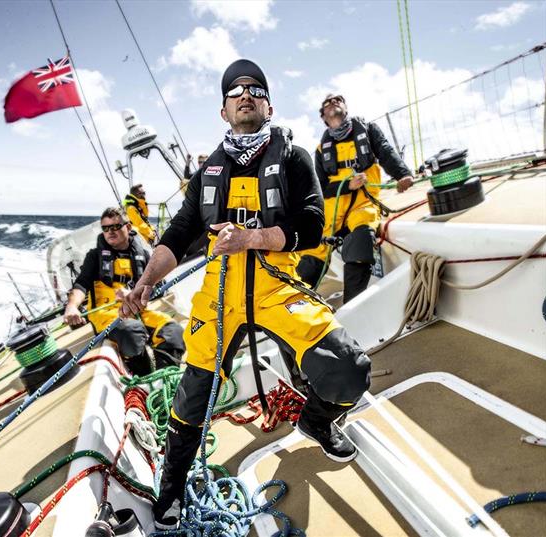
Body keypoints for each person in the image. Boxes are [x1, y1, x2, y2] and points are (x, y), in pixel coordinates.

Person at [120, 60, 371, 529]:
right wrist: (145, 282)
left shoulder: (295, 158)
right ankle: (171, 490)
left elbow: (314, 226)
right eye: (235, 91)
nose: (245, 94)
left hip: (278, 286)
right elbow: (177, 235)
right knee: (191, 399)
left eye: (255, 88)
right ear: (223, 110)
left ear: (268, 104)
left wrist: (253, 238)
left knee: (350, 370)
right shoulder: (205, 175)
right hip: (220, 296)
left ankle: (316, 420)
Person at [296, 93, 414, 303]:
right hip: (333, 211)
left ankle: (352, 305)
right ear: (323, 116)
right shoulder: (321, 150)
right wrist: (347, 186)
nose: (333, 102)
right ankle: (295, 300)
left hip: (363, 204)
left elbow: (386, 152)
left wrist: (402, 174)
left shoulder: (368, 131)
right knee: (313, 249)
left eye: (338, 100)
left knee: (360, 238)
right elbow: (321, 188)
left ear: (346, 108)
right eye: (327, 103)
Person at [64, 207, 183, 376]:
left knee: (172, 330)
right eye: (105, 228)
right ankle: (144, 378)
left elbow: (155, 286)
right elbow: (81, 285)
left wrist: (136, 294)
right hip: (107, 315)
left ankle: (166, 377)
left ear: (127, 227)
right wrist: (72, 307)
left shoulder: (143, 256)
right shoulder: (94, 257)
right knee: (132, 331)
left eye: (115, 227)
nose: (110, 232)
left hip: (138, 311)